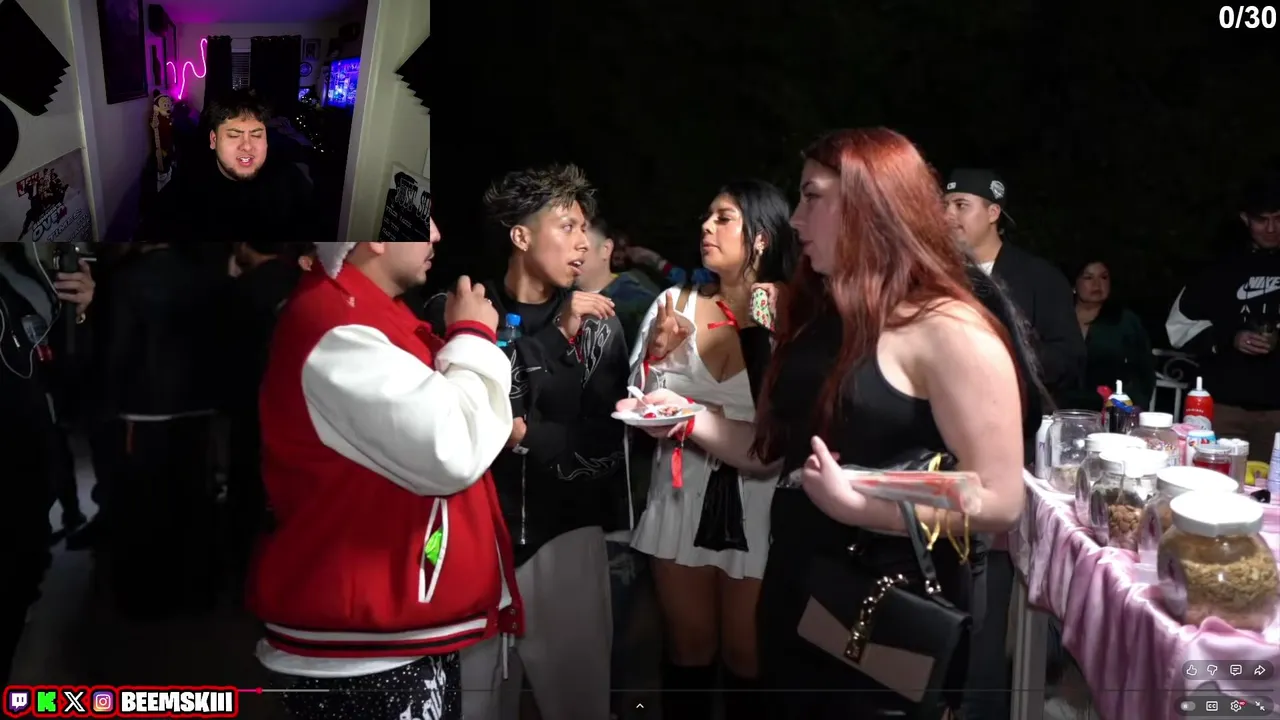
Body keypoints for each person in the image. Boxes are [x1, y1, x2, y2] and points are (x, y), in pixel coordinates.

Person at [620, 129, 1029, 719]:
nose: (794, 219)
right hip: (797, 586)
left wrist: (864, 506)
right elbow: (772, 453)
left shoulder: (950, 330)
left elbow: (997, 496)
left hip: (885, 604)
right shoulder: (821, 322)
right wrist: (686, 419)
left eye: (812, 196)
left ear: (871, 204)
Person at [249, 233, 520, 720]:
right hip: (362, 654)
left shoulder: (368, 313)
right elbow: (452, 447)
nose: (436, 233)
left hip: (385, 636)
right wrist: (473, 336)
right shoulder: (337, 326)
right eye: (421, 215)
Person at [436, 164, 627, 720]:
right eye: (567, 226)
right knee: (475, 707)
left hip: (566, 543)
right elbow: (454, 426)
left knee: (580, 706)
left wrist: (523, 435)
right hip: (474, 544)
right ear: (520, 236)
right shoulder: (462, 312)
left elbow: (604, 449)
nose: (582, 242)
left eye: (585, 228)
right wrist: (553, 338)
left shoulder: (599, 326)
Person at [628, 179, 798, 720]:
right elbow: (637, 400)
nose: (706, 227)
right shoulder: (672, 303)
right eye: (706, 216)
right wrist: (656, 355)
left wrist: (768, 327)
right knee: (688, 651)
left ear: (762, 237)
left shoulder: (790, 308)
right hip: (682, 494)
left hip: (760, 500)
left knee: (749, 656)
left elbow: (792, 409)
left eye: (723, 218)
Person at [97, 242, 223, 617]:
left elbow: (116, 349)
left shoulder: (124, 280)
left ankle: (144, 597)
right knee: (192, 499)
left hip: (143, 409)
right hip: (197, 407)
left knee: (143, 503)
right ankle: (194, 594)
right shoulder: (208, 278)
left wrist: (105, 403)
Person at [0, 241, 95, 683]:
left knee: (22, 568)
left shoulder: (23, 269)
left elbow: (59, 362)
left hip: (30, 452)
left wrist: (82, 310)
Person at [943, 168, 1085, 406]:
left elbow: (1069, 359)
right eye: (945, 206)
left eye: (961, 205)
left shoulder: (1039, 277)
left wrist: (1006, 358)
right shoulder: (941, 276)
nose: (947, 215)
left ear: (993, 213)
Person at [1167, 173, 1280, 460]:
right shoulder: (1218, 268)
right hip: (1223, 409)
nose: (1271, 228)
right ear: (1245, 219)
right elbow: (1177, 328)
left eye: (1278, 219)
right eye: (1262, 220)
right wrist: (1229, 339)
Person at [221, 242, 307, 576]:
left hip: (249, 403)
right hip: (294, 403)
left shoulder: (241, 290)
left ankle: (246, 570)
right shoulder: (302, 281)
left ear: (244, 246)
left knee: (247, 489)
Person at [136, 89, 315, 242]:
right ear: (213, 140)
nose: (247, 146)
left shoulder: (291, 181)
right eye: (234, 135)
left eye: (256, 135)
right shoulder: (183, 193)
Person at [1063, 258, 1155, 410]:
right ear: (1074, 284)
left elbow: (1144, 372)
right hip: (1061, 408)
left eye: (1104, 277)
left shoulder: (1125, 321)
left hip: (1110, 409)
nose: (1097, 284)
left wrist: (1133, 406)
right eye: (1088, 277)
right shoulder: (1058, 317)